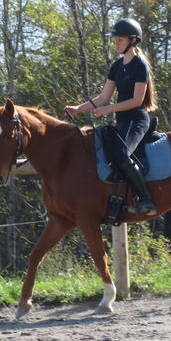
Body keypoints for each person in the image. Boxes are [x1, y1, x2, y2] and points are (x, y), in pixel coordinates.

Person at [65, 18, 157, 216]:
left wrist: (108, 110)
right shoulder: (117, 66)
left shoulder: (140, 65)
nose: (116, 43)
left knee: (122, 155)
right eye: (115, 40)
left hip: (137, 120)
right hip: (122, 121)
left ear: (133, 40)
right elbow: (103, 98)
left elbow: (136, 100)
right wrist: (78, 109)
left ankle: (147, 200)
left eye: (120, 40)